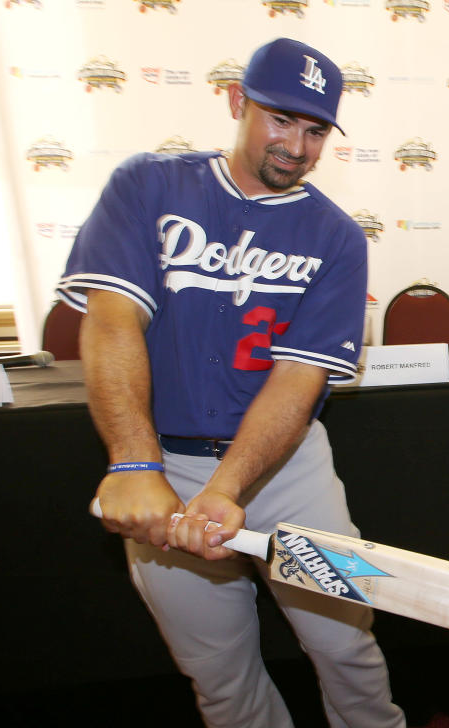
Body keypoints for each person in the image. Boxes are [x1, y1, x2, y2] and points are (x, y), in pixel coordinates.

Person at [57, 38, 406, 728]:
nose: (297, 145)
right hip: (166, 463)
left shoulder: (337, 237)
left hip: (287, 465)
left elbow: (299, 379)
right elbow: (110, 322)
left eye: (315, 130)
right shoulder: (149, 185)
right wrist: (134, 459)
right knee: (219, 674)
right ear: (236, 101)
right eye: (281, 119)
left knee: (345, 644)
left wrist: (228, 488)